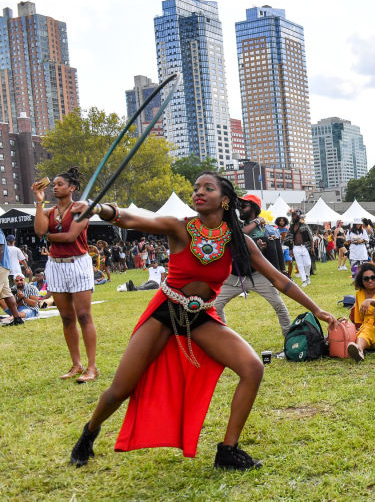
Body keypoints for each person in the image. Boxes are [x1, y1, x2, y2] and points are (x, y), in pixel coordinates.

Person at [67, 172, 336, 470]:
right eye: (196, 188)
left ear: (224, 199)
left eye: (208, 188)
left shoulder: (239, 240)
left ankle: (228, 450)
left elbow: (280, 280)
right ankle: (90, 431)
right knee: (121, 389)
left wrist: (318, 310)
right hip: (166, 312)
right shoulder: (178, 227)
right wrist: (100, 209)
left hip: (200, 316)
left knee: (252, 368)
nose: (198, 192)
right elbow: (131, 219)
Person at [33, 168, 99, 383]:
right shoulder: (49, 211)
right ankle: (76, 365)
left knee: (83, 316)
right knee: (67, 318)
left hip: (78, 263)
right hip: (55, 265)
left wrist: (47, 238)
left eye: (60, 184)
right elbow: (39, 231)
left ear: (72, 188)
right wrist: (39, 202)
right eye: (55, 184)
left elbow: (70, 236)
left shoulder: (81, 209)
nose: (55, 187)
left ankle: (92, 367)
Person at [213, 194, 291, 337]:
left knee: (279, 305)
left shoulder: (267, 229)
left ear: (254, 208)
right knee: (215, 306)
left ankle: (290, 338)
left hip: (258, 275)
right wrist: (256, 221)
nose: (240, 209)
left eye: (244, 206)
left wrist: (281, 269)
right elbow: (238, 236)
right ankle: (224, 340)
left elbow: (276, 250)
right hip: (234, 277)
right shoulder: (236, 225)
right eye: (239, 206)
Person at [0, 229, 25, 326]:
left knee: (7, 293)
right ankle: (17, 318)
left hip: (1, 266)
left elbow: (1, 249)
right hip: (5, 267)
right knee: (7, 294)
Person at [289, 210, 314, 287]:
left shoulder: (304, 225)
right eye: (293, 216)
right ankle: (304, 281)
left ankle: (307, 276)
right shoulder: (292, 227)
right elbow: (289, 239)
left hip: (305, 247)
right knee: (300, 265)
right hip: (296, 248)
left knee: (308, 264)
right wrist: (290, 250)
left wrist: (312, 247)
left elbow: (311, 237)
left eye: (296, 215)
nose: (295, 217)